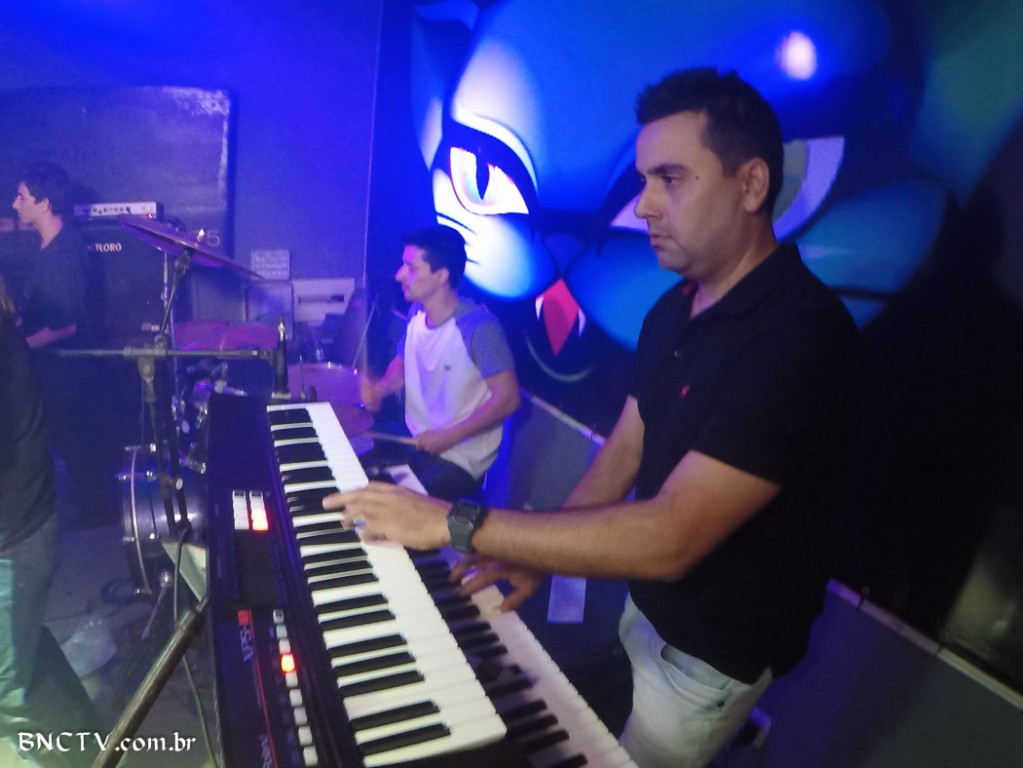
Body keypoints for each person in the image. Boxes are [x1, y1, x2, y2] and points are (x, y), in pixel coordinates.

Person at [325, 68, 864, 768]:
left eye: (670, 179)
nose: (644, 206)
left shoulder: (800, 336)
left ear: (751, 184)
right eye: (643, 181)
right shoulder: (674, 309)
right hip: (647, 612)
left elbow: (672, 535)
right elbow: (622, 454)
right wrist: (533, 553)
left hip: (708, 657)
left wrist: (453, 522)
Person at [0, 277, 103, 767]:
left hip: (14, 542)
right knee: (28, 652)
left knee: (10, 696)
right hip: (25, 531)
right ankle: (97, 750)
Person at [359, 225, 521, 500]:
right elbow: (402, 365)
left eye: (411, 268)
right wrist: (380, 389)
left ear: (442, 275)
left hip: (460, 457)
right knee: (348, 448)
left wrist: (448, 437)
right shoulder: (416, 313)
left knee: (389, 505)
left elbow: (508, 399)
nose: (400, 275)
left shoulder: (478, 328)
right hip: (417, 437)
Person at [12, 162, 115, 528]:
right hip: (59, 373)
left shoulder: (62, 254)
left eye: (22, 197)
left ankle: (98, 513)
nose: (15, 204)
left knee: (75, 445)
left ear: (43, 203)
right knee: (71, 445)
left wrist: (19, 348)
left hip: (68, 374)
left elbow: (64, 325)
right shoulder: (53, 247)